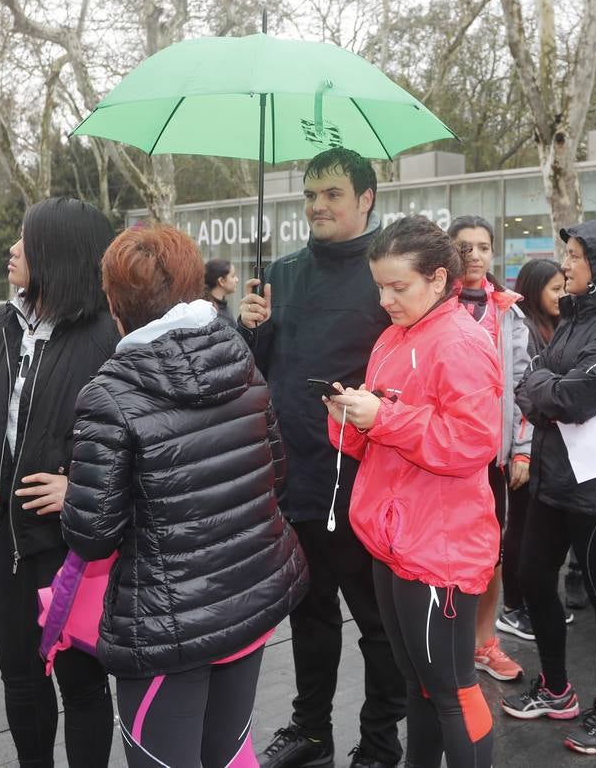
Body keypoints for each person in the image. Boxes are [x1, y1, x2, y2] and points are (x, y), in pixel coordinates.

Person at [62, 224, 308, 768]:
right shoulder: (239, 358)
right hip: (249, 595)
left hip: (165, 620)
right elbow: (276, 473)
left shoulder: (109, 394)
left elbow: (91, 532)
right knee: (227, 753)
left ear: (113, 302)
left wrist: (77, 492)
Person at [238, 147, 406, 768]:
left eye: (332, 194)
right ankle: (311, 730)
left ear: (365, 198)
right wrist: (248, 328)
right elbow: (255, 373)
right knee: (309, 614)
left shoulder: (387, 274)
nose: (317, 207)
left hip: (364, 480)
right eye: (310, 196)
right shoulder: (279, 274)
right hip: (292, 476)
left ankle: (382, 739)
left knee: (378, 621)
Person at [325, 215, 502, 768]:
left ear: (439, 278)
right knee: (418, 684)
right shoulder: (394, 337)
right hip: (395, 538)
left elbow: (473, 443)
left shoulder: (462, 342)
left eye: (398, 287)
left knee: (451, 688)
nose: (385, 299)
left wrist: (384, 417)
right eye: (380, 286)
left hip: (441, 545)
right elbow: (375, 438)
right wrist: (351, 418)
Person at [0, 197, 119, 767]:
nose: (13, 249)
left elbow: (141, 441)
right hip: (5, 539)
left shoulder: (109, 336)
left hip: (74, 547)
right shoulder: (1, 322)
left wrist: (81, 488)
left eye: (26, 240)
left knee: (82, 683)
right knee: (19, 677)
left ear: (60, 253)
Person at [503, 218, 596, 757]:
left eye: (576, 256)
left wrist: (547, 390)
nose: (565, 264)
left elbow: (569, 397)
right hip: (551, 473)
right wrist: (548, 389)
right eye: (566, 254)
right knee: (532, 577)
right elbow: (530, 383)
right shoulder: (573, 316)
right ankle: (557, 687)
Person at [447, 216, 531, 684]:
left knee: (491, 555)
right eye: (464, 247)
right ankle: (448, 646)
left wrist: (521, 450)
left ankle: (484, 643)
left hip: (492, 461)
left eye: (483, 247)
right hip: (442, 457)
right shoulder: (434, 310)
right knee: (444, 555)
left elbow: (522, 386)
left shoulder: (508, 313)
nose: (475, 256)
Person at [496, 259, 568, 640]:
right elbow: (522, 388)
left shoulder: (559, 325)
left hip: (547, 442)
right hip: (528, 442)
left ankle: (533, 602)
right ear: (535, 286)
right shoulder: (522, 326)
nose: (562, 295)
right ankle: (513, 606)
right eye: (555, 288)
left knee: (538, 528)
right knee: (520, 527)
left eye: (565, 287)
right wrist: (521, 450)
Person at [204, 257, 240, 327]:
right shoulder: (212, 313)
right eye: (233, 276)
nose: (237, 280)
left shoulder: (223, 308)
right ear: (221, 281)